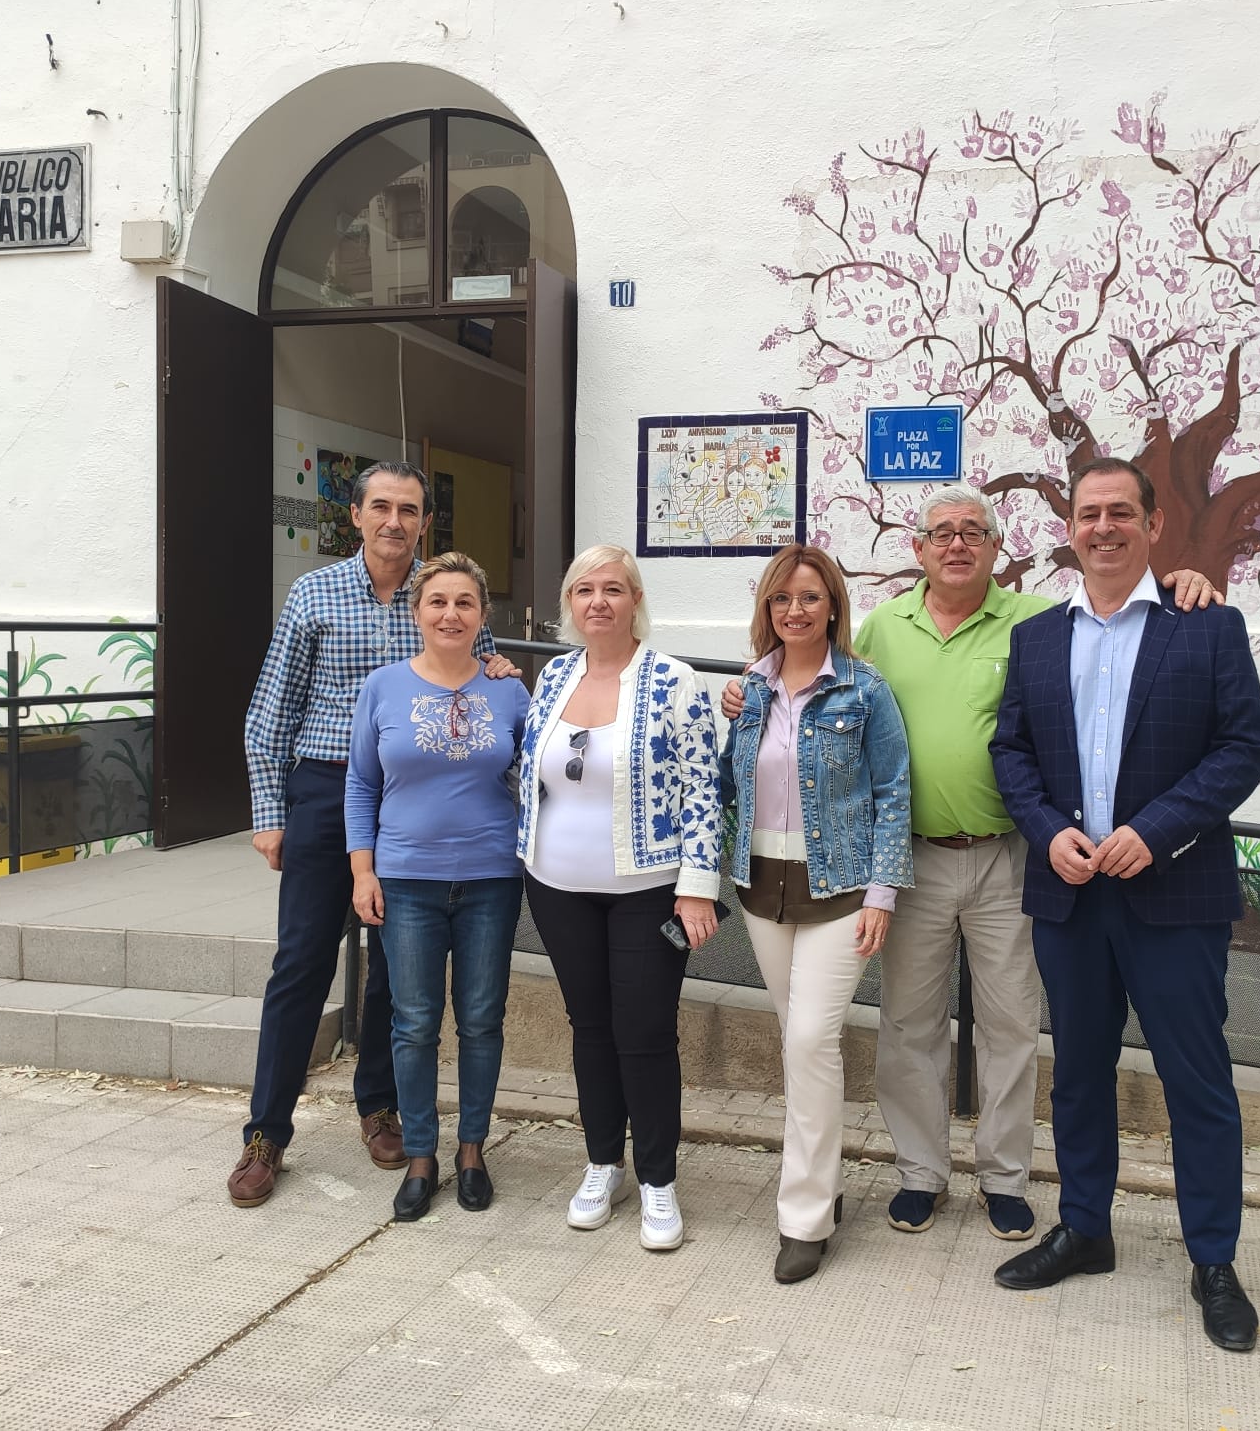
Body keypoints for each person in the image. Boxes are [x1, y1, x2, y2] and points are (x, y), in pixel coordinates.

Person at [720, 485, 1218, 1243]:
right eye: (941, 533)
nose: (956, 544)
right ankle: (921, 1173)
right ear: (917, 550)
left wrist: (1186, 579)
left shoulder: (1034, 622)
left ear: (997, 549)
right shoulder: (882, 630)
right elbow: (801, 677)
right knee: (909, 1023)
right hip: (907, 861)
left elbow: (1115, 607)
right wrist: (741, 688)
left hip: (1009, 857)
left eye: (973, 533)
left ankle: (1005, 1178)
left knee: (1012, 1024)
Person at [988, 458, 1260, 1354]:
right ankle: (1085, 1228)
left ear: (1153, 526)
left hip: (1173, 891)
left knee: (1198, 1081)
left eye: (1120, 513)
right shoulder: (1035, 637)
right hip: (1071, 894)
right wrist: (1043, 830)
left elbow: (1241, 749)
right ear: (1069, 531)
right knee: (1076, 1072)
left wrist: (1157, 829)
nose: (1102, 527)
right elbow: (1011, 752)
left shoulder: (1206, 623)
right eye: (1087, 514)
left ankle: (1214, 1261)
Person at [230, 462, 517, 1209]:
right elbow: (269, 712)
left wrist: (497, 666)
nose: (395, 520)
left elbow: (477, 673)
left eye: (410, 510)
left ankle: (380, 1106)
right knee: (301, 963)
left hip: (420, 800)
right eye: (381, 507)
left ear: (425, 522)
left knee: (399, 973)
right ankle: (266, 1134)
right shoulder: (315, 595)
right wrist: (269, 813)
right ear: (355, 516)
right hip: (329, 790)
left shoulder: (444, 595)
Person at [516, 544, 721, 1251]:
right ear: (570, 604)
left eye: (612, 588)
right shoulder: (552, 678)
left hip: (648, 891)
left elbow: (703, 790)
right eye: (584, 590)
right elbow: (530, 771)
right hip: (556, 887)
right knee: (590, 1027)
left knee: (644, 1031)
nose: (597, 601)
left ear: (635, 599)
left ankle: (658, 1177)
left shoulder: (674, 681)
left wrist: (699, 889)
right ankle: (604, 1162)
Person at [722, 545, 912, 1284]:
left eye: (808, 598)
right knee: (796, 1043)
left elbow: (894, 790)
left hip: (840, 889)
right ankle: (823, 1178)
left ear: (832, 604)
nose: (794, 611)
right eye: (780, 600)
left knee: (810, 1040)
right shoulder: (751, 690)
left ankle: (804, 1217)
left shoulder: (865, 691)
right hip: (763, 887)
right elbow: (731, 782)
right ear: (766, 611)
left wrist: (882, 894)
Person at [346, 552, 530, 1222]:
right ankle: (421, 1154)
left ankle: (472, 1150)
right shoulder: (383, 687)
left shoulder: (509, 690)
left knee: (481, 1019)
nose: (450, 614)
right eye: (437, 602)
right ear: (417, 613)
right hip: (405, 880)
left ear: (483, 616)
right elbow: (361, 782)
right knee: (414, 1022)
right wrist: (362, 869)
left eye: (464, 603)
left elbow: (539, 774)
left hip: (490, 879)